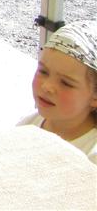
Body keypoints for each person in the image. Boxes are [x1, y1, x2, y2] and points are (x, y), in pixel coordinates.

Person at [18, 20, 97, 164]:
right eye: (43, 71)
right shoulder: (28, 124)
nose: (47, 86)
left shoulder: (91, 158)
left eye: (66, 83)